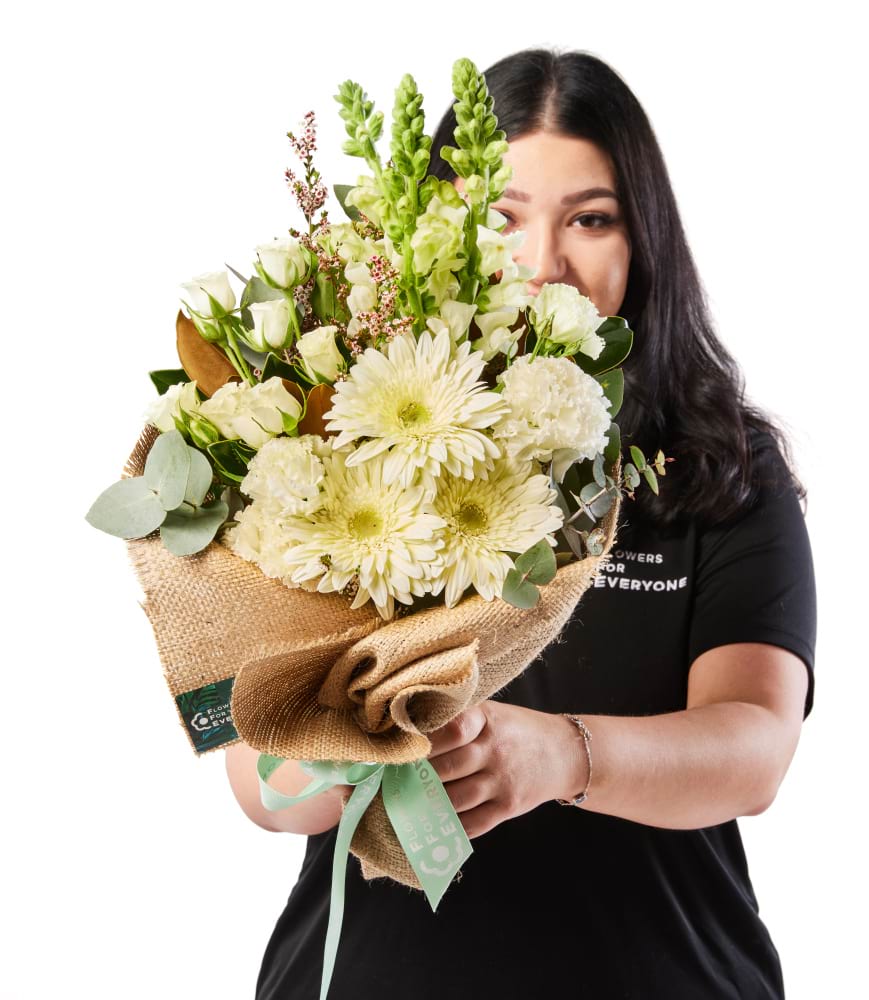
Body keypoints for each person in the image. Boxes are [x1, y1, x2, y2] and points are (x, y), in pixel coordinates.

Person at [226, 47, 817, 999]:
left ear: (644, 239)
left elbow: (754, 749)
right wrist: (364, 744)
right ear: (435, 237)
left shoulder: (721, 468)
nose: (545, 264)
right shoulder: (334, 440)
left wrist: (562, 756)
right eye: (502, 219)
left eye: (591, 219)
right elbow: (262, 787)